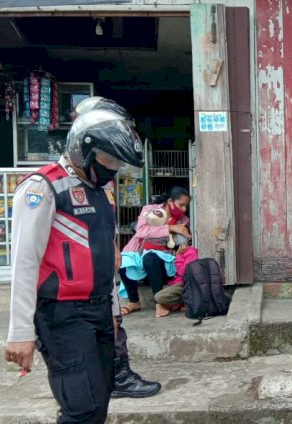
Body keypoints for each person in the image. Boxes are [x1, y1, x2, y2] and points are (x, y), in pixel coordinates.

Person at [5, 108, 144, 423]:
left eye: (117, 163)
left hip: (98, 312)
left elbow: (107, 263)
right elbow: (25, 264)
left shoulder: (99, 194)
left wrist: (113, 311)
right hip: (63, 315)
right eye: (108, 161)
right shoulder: (43, 187)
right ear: (84, 150)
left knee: (100, 402)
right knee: (82, 409)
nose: (113, 169)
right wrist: (20, 331)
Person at [71, 96, 161, 399]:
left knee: (113, 324)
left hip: (101, 271)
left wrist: (112, 246)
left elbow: (103, 224)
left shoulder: (98, 185)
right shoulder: (62, 185)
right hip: (77, 282)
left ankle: (115, 376)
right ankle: (110, 379)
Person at [119, 186, 192, 318]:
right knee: (123, 260)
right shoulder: (149, 210)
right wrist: (171, 228)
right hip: (141, 259)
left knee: (150, 258)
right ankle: (134, 301)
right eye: (181, 205)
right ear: (170, 201)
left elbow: (185, 242)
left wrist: (184, 244)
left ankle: (160, 301)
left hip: (165, 267)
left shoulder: (184, 221)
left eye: (186, 206)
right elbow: (141, 231)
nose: (184, 209)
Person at [153, 234, 199, 316]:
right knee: (159, 295)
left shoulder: (191, 252)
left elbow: (184, 273)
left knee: (158, 297)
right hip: (176, 283)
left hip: (185, 284)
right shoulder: (181, 253)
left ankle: (185, 302)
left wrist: (178, 256)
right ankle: (179, 303)